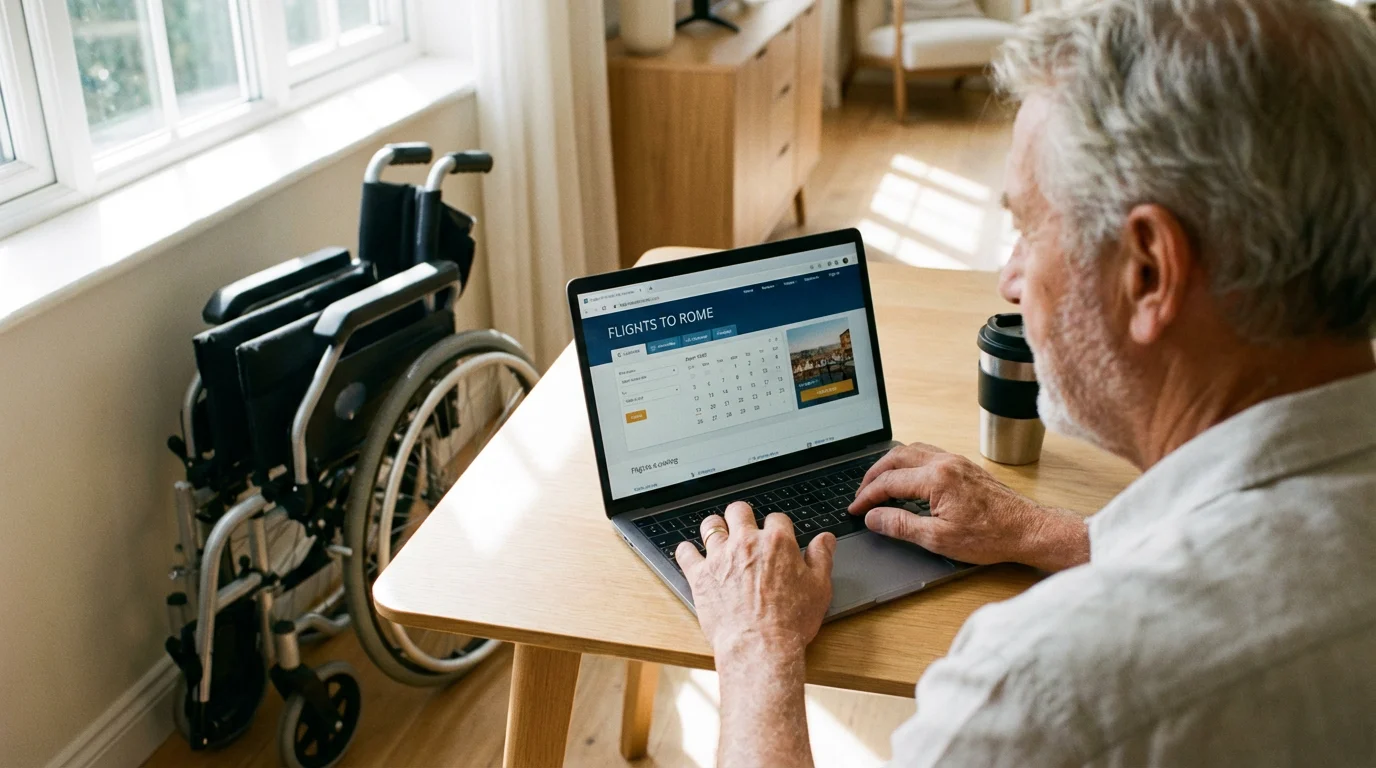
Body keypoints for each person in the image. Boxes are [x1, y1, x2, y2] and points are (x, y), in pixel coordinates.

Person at [673, 0, 1376, 764]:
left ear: (1148, 273)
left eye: (1029, 230)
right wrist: (1044, 532)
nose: (1010, 280)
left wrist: (755, 647)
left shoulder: (1047, 690)